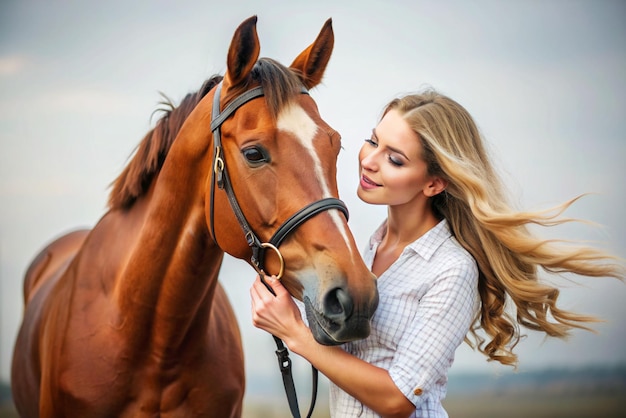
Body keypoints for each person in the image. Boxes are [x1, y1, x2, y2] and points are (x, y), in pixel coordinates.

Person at [249, 89, 625, 418]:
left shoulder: (452, 269)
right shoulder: (371, 248)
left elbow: (398, 400)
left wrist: (295, 334)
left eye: (395, 159)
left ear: (433, 183)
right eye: (373, 141)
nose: (369, 160)